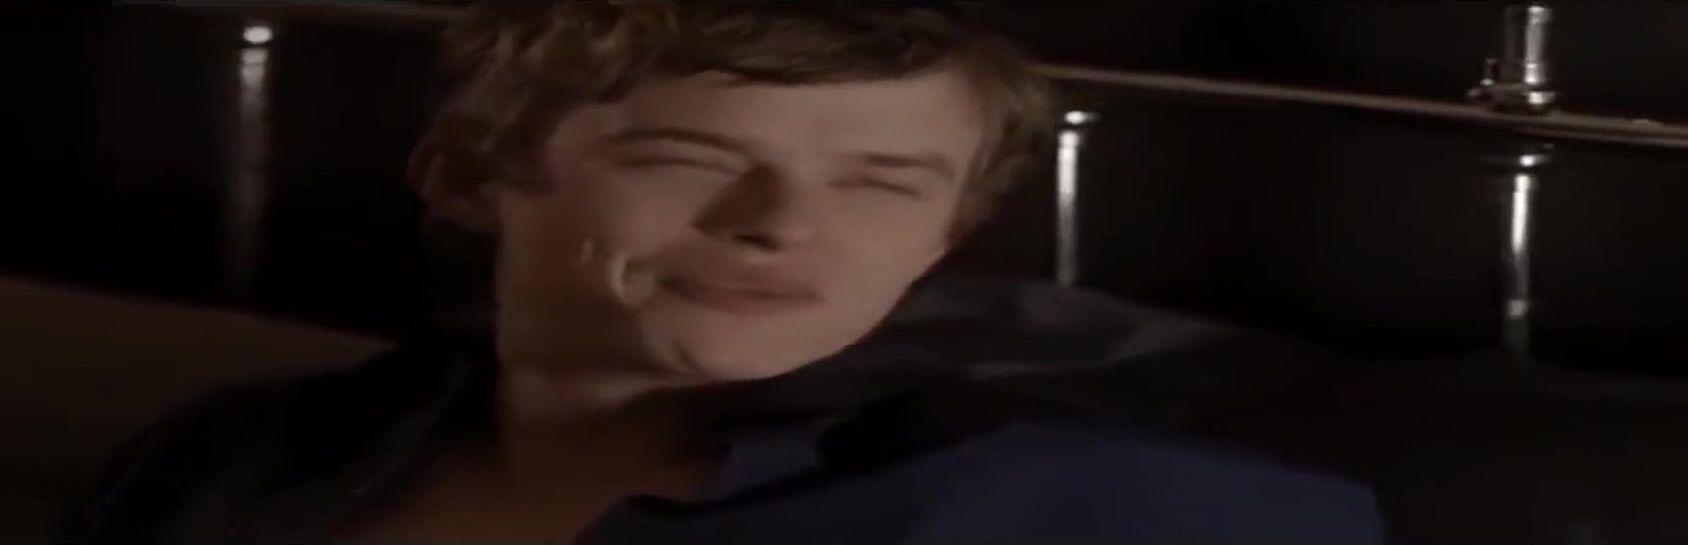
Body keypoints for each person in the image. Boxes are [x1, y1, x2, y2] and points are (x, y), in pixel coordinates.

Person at [61, 2, 1384, 543]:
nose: (778, 224)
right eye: (690, 158)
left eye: (882, 182)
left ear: (947, 235)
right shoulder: (234, 459)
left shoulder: (1118, 507)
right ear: (471, 174)